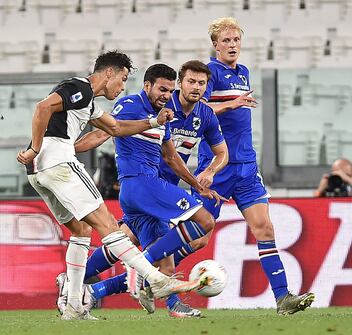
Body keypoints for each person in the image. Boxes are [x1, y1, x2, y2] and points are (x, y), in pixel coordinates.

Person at [16, 51, 204, 320]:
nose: (123, 86)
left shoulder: (88, 104)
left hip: (40, 171)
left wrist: (153, 122)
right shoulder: (78, 87)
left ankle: (73, 307)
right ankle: (156, 279)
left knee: (81, 231)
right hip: (57, 161)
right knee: (108, 225)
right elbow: (42, 107)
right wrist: (35, 147)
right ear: (108, 74)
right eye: (123, 79)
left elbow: (115, 128)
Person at [59, 61, 228, 318]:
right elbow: (103, 134)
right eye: (162, 89)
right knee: (204, 220)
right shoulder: (130, 106)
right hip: (142, 184)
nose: (166, 95)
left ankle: (171, 306)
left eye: (169, 91)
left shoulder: (164, 117)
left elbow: (171, 158)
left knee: (163, 261)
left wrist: (197, 186)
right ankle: (140, 267)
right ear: (147, 85)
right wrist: (65, 150)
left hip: (146, 191)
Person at [184, 17, 314, 315]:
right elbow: (198, 109)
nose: (232, 45)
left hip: (246, 166)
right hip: (216, 167)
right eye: (226, 41)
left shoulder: (243, 72)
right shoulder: (211, 73)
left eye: (236, 40)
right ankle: (151, 277)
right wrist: (231, 104)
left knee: (265, 228)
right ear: (215, 45)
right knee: (198, 237)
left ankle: (283, 299)